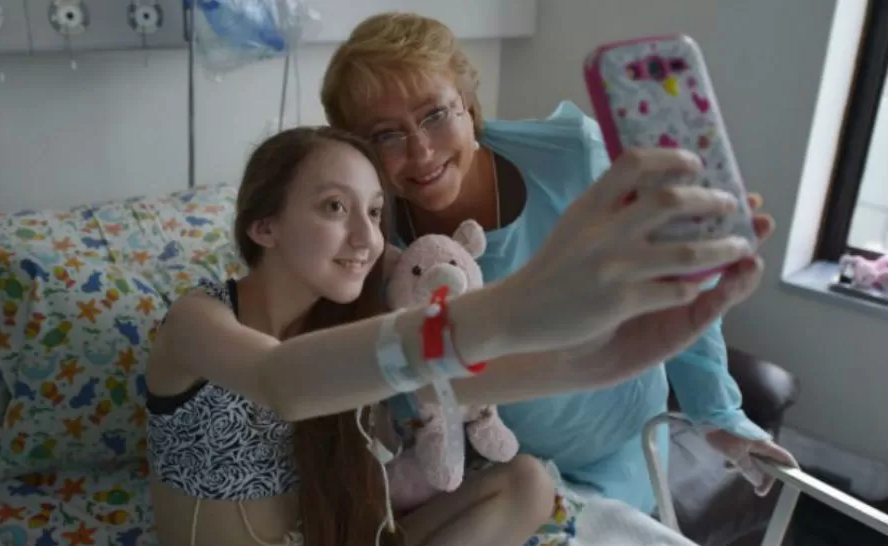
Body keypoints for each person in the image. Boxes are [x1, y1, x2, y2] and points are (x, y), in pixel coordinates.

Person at [145, 125, 763, 546]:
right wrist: (511, 308)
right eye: (334, 208)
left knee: (528, 481)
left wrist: (607, 358)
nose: (366, 239)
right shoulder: (197, 324)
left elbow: (464, 379)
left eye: (373, 212)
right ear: (264, 225)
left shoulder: (349, 327)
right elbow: (281, 381)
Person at [319, 11, 797, 515]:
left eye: (435, 115)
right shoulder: (368, 236)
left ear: (468, 104)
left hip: (613, 449)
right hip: (489, 472)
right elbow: (395, 372)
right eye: (385, 135)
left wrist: (718, 412)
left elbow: (674, 276)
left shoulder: (575, 159)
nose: (420, 150)